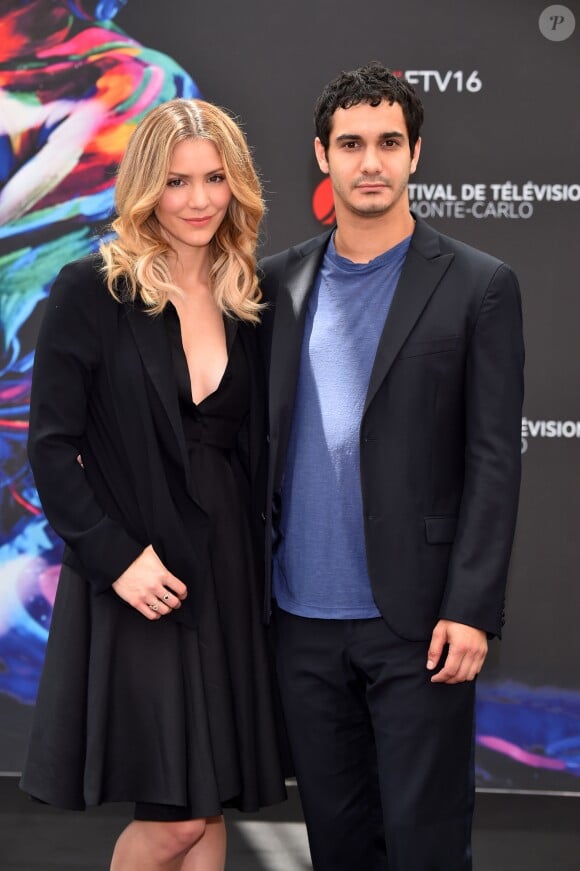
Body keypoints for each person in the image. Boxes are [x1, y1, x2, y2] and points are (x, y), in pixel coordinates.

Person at [259, 62, 524, 871]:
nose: (369, 161)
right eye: (351, 144)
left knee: (426, 845)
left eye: (387, 143)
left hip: (420, 623)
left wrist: (473, 607)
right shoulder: (276, 284)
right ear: (322, 155)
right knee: (338, 845)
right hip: (299, 619)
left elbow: (492, 458)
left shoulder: (480, 285)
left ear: (415, 155)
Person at [20, 98, 287, 871]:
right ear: (145, 188)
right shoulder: (90, 290)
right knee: (174, 818)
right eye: (176, 181)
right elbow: (50, 448)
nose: (199, 200)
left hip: (228, 572)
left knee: (207, 808)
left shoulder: (248, 296)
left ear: (236, 185)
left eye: (214, 179)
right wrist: (117, 559)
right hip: (142, 575)